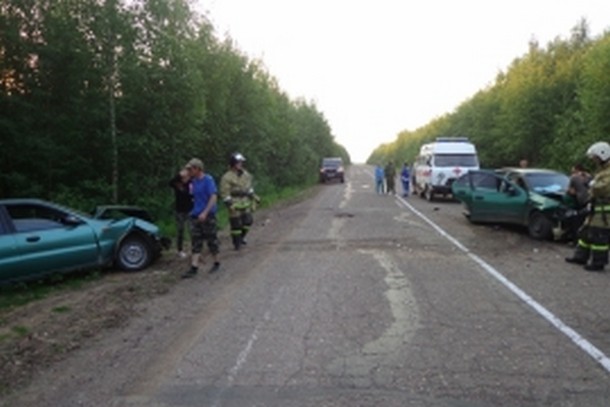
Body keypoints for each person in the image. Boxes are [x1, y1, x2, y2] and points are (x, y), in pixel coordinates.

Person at [565, 142, 610, 272]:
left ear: (603, 155)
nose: (594, 160)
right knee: (585, 232)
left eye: (595, 157)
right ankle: (580, 256)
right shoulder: (602, 170)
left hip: (604, 212)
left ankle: (598, 262)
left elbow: (602, 188)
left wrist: (590, 183)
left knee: (599, 236)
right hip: (596, 208)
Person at [182, 158, 220, 278]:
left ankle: (216, 262)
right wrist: (185, 176)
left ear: (198, 168)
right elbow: (178, 182)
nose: (189, 171)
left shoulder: (208, 180)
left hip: (207, 215)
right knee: (196, 240)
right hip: (195, 215)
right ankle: (194, 267)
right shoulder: (192, 182)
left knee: (211, 239)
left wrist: (205, 212)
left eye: (191, 169)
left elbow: (213, 197)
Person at [220, 152, 258, 251]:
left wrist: (254, 197)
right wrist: (229, 204)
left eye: (241, 162)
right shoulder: (227, 177)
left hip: (245, 201)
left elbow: (249, 187)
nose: (241, 164)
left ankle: (242, 237)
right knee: (236, 224)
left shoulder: (246, 175)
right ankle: (236, 243)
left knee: (248, 221)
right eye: (238, 162)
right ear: (233, 163)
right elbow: (224, 192)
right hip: (234, 202)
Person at [168, 168, 193, 258]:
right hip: (179, 210)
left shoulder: (191, 182)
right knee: (180, 230)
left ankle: (195, 249)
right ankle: (180, 250)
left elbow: (191, 194)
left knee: (192, 230)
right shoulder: (177, 183)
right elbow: (170, 183)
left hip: (190, 209)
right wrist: (179, 175)